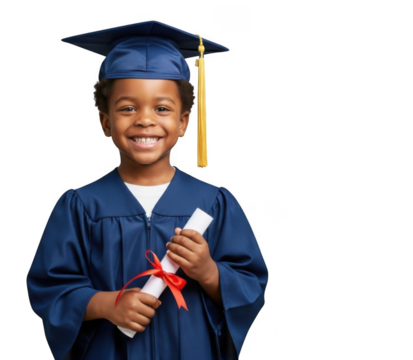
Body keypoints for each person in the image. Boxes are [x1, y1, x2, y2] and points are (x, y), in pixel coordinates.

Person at [26, 20, 268, 360]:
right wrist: (106, 304)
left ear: (185, 123)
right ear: (105, 122)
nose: (144, 120)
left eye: (162, 108)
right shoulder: (81, 206)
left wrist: (209, 272)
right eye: (128, 108)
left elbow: (252, 284)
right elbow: (49, 289)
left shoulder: (214, 204)